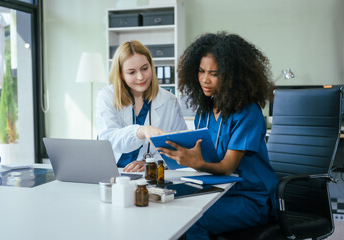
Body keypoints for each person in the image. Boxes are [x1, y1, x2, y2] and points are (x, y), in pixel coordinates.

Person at [157, 32, 279, 239]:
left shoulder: (247, 112)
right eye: (201, 71)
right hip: (217, 190)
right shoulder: (205, 110)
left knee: (193, 218)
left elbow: (227, 166)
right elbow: (203, 156)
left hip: (250, 199)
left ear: (233, 75)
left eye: (214, 73)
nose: (205, 79)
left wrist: (195, 162)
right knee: (164, 202)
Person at [96, 40, 187, 172]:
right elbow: (108, 140)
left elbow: (179, 146)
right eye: (131, 72)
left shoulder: (169, 100)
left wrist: (151, 163)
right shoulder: (106, 96)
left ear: (151, 66)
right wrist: (141, 131)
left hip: (150, 174)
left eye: (145, 69)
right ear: (121, 74)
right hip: (113, 173)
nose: (140, 77)